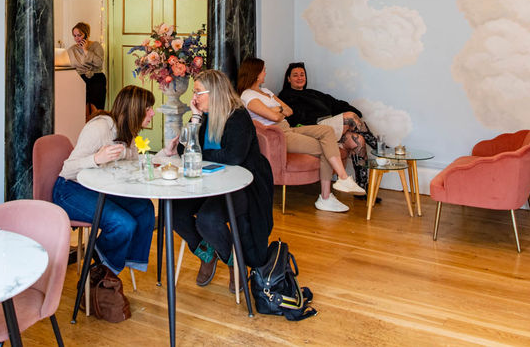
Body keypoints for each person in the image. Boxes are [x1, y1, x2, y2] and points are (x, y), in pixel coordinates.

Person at [160, 69, 273, 289]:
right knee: (172, 210)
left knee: (207, 219)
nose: (194, 97)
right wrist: (194, 117)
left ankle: (234, 262)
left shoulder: (238, 116)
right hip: (208, 184)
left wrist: (198, 153)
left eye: (198, 92)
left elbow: (233, 156)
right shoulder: (204, 115)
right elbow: (184, 150)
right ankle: (206, 252)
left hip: (242, 186)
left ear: (215, 93)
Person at [52, 85, 156, 289]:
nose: (152, 112)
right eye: (148, 108)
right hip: (69, 190)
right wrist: (96, 158)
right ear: (134, 109)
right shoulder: (99, 127)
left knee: (145, 209)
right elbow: (68, 169)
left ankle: (106, 270)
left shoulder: (127, 129)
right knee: (123, 223)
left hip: (98, 188)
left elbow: (130, 157)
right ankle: (101, 269)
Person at [237, 57, 365, 213]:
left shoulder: (265, 92)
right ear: (255, 73)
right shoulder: (247, 96)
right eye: (263, 70)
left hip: (288, 128)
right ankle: (328, 194)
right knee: (326, 148)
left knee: (327, 132)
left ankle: (340, 182)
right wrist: (277, 111)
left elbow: (289, 110)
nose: (265, 73)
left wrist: (276, 111)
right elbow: (276, 117)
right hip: (280, 135)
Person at [278, 62, 379, 193]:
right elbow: (291, 120)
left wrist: (356, 113)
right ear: (288, 79)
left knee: (358, 140)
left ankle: (362, 188)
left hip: (329, 126)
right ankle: (379, 149)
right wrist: (352, 116)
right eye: (295, 75)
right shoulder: (285, 96)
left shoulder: (313, 93)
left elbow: (336, 103)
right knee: (350, 117)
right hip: (314, 129)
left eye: (302, 75)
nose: (299, 78)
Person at [67, 21, 107, 112]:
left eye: (79, 35)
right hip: (80, 79)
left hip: (96, 78)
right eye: (74, 36)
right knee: (81, 110)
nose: (77, 38)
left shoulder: (96, 46)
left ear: (86, 34)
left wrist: (85, 50)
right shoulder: (72, 49)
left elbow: (99, 63)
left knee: (96, 109)